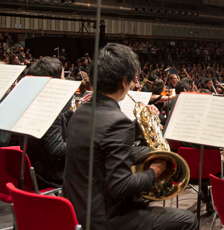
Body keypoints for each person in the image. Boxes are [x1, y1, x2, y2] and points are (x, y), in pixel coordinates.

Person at [64, 43, 197, 230]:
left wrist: (143, 137)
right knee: (187, 220)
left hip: (75, 209)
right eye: (133, 79)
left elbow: (102, 147)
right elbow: (121, 187)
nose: (134, 84)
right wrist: (156, 170)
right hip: (104, 219)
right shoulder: (117, 121)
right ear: (124, 81)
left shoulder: (80, 112)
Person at [24, 57, 72, 188]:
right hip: (51, 177)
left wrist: (70, 114)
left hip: (33, 170)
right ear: (53, 82)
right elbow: (56, 149)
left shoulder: (28, 102)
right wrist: (82, 144)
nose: (65, 81)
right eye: (62, 76)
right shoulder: (49, 109)